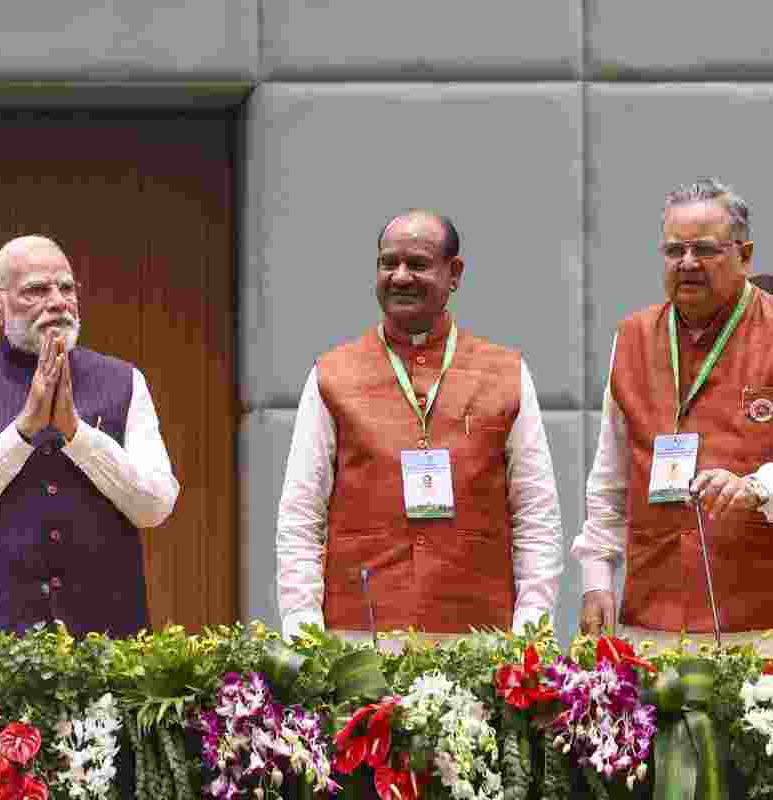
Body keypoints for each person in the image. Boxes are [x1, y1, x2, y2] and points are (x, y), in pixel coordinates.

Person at [277, 210, 563, 641]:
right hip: (359, 638)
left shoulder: (506, 373)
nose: (401, 276)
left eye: (418, 264)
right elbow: (301, 513)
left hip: (479, 636)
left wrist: (532, 625)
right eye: (388, 263)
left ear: (455, 273)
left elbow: (536, 511)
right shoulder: (330, 375)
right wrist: (303, 628)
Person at [0, 235, 179, 638]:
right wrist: (23, 432)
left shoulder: (125, 381)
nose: (58, 301)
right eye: (37, 290)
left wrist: (77, 435)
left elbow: (156, 505)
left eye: (67, 288)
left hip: (109, 649)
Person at [576, 178, 773, 647]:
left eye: (704, 250)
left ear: (744, 256)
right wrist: (596, 577)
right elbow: (611, 477)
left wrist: (757, 487)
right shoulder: (632, 337)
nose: (687, 264)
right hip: (650, 616)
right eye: (674, 251)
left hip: (759, 623)